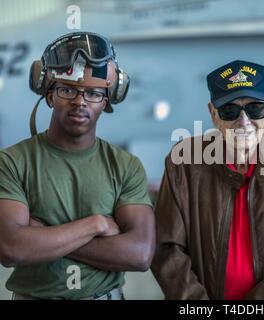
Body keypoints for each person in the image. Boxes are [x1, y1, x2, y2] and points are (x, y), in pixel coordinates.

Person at [0, 32, 155, 300]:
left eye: (93, 93)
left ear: (105, 103)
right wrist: (95, 225)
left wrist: (45, 236)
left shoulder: (126, 166)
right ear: (49, 97)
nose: (80, 102)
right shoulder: (12, 162)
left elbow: (139, 254)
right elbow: (11, 248)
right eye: (67, 89)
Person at [151, 60, 264, 299]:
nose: (243, 122)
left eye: (255, 109)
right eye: (229, 110)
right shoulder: (183, 161)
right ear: (213, 113)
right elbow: (166, 247)